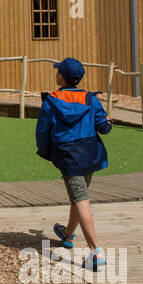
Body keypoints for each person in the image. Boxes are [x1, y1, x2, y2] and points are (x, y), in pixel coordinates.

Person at [36, 57, 113, 271]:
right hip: (90, 152)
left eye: (57, 71)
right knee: (78, 196)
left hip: (68, 155)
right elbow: (104, 127)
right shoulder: (90, 99)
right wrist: (107, 121)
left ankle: (96, 250)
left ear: (60, 77)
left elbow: (43, 130)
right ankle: (68, 234)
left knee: (81, 199)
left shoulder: (52, 100)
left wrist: (44, 150)